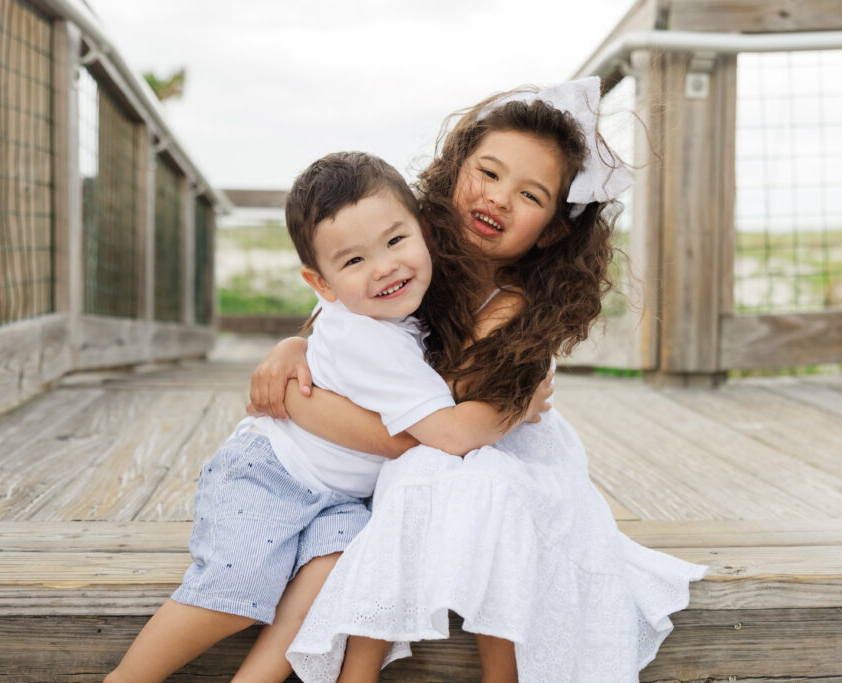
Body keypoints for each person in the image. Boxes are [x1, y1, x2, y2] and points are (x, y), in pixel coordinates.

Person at [248, 78, 707, 682]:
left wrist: (510, 410)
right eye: (487, 173)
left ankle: (503, 670)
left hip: (499, 442)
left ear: (551, 229)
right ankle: (357, 670)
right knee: (423, 471)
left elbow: (463, 423)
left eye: (530, 195)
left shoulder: (517, 306)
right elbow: (345, 324)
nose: (498, 198)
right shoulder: (409, 247)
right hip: (440, 436)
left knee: (466, 478)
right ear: (456, 167)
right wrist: (291, 345)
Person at [104, 152, 549, 683]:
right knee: (234, 593)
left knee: (322, 590)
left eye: (394, 241)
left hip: (336, 499)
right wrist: (518, 407)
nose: (384, 267)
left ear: (425, 233)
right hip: (271, 478)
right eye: (354, 261)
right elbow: (449, 435)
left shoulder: (391, 321)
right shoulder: (369, 337)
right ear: (322, 284)